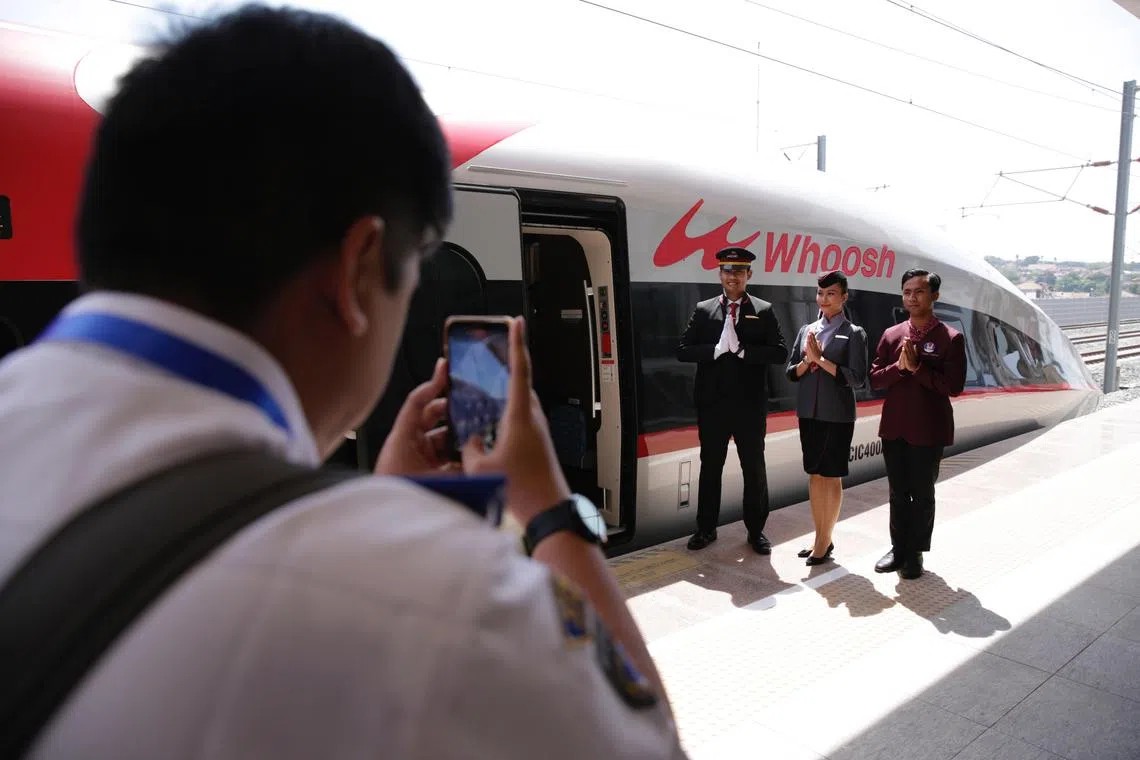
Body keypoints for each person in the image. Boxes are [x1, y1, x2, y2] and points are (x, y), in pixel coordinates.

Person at [0, 7, 687, 759]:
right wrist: (548, 508)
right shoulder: (441, 600)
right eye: (418, 263)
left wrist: (381, 502)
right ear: (359, 268)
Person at [676, 246, 788, 553]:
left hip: (749, 406)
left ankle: (756, 532)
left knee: (754, 468)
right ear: (719, 274)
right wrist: (714, 350)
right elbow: (683, 349)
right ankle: (706, 529)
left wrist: (743, 352)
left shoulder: (763, 310)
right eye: (727, 270)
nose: (732, 276)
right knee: (710, 467)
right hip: (712, 405)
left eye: (739, 271)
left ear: (749, 275)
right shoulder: (704, 309)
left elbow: (780, 352)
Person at [868, 268, 967, 580]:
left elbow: (954, 386)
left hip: (929, 428)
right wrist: (900, 369)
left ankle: (915, 553)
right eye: (907, 291)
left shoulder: (950, 338)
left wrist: (917, 369)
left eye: (919, 291)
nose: (912, 297)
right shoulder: (891, 335)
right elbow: (874, 380)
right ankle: (898, 548)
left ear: (934, 296)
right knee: (898, 492)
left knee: (922, 494)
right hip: (894, 426)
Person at [785, 271, 868, 565]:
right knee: (814, 475)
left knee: (830, 475)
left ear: (844, 297)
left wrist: (822, 360)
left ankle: (823, 541)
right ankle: (821, 537)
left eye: (831, 293)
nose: (824, 299)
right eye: (820, 293)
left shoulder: (853, 333)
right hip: (809, 411)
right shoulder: (807, 330)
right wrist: (808, 362)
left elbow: (858, 379)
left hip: (837, 415)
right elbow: (791, 372)